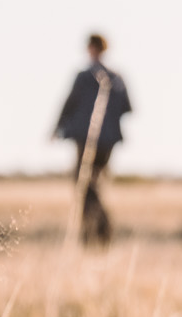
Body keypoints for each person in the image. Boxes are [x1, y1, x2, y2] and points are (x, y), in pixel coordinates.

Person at [54, 33, 132, 246]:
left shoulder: (84, 77)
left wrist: (57, 128)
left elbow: (69, 103)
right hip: (109, 140)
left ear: (91, 48)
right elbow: (128, 108)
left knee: (84, 185)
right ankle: (96, 233)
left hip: (86, 138)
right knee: (94, 184)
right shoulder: (117, 78)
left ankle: (96, 232)